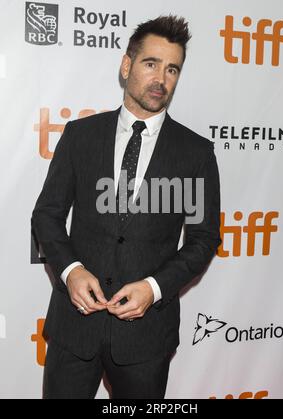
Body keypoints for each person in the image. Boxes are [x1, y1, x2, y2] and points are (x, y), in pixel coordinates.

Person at [31, 15, 221, 399]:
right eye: (151, 64)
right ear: (126, 65)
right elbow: (47, 215)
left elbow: (203, 239)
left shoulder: (195, 153)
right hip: (74, 329)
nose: (161, 79)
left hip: (146, 339)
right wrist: (71, 271)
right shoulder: (80, 136)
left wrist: (154, 288)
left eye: (172, 69)